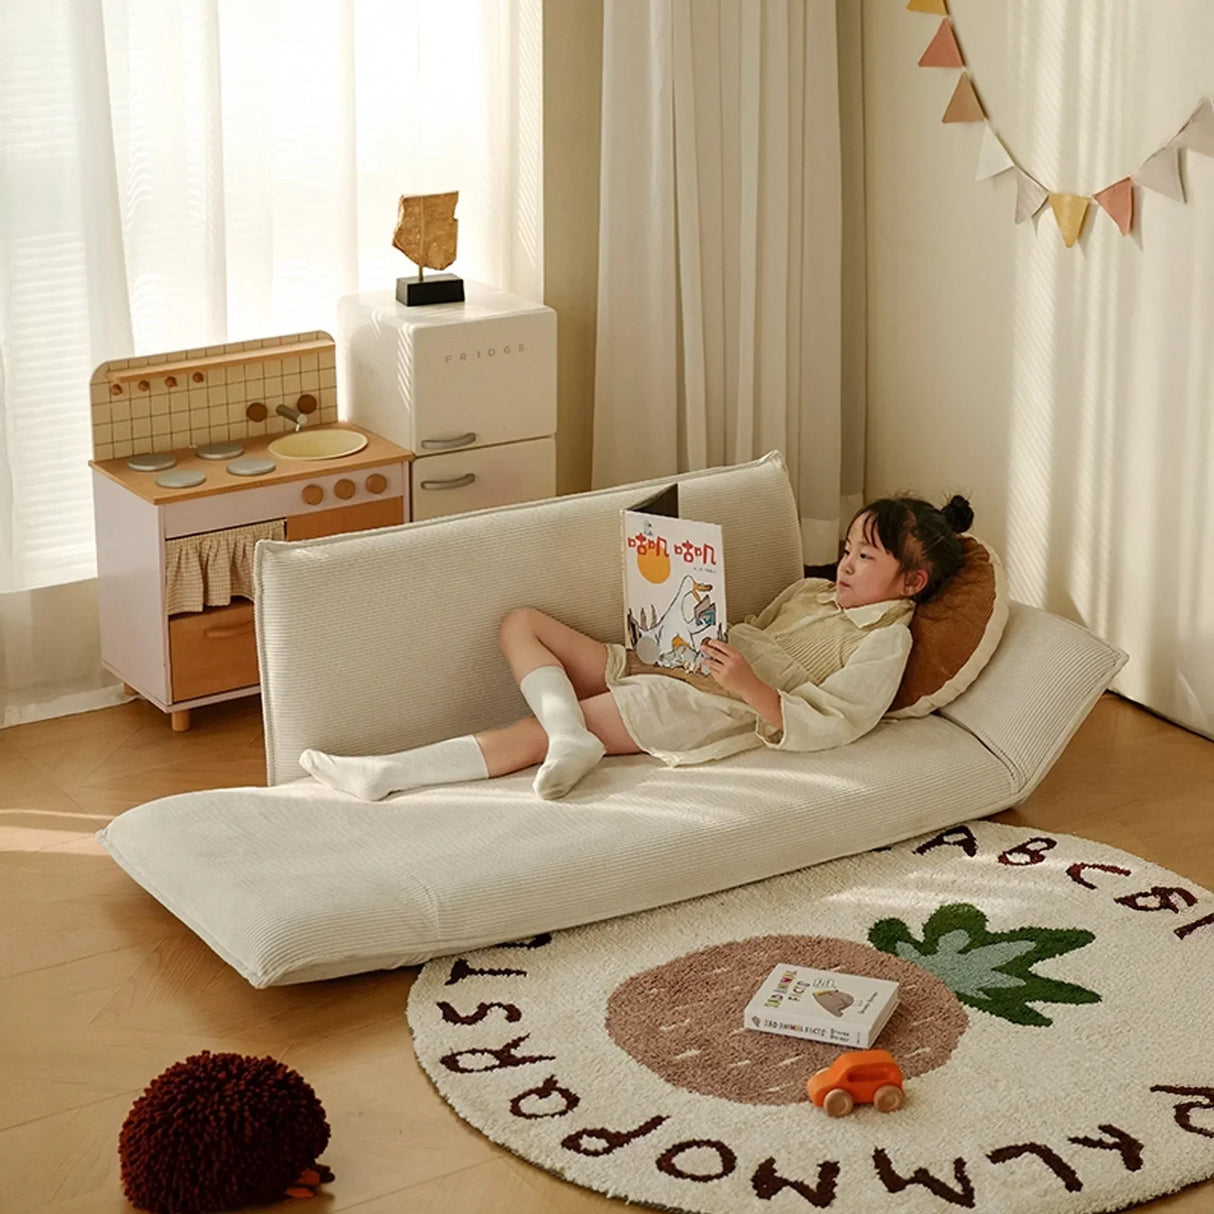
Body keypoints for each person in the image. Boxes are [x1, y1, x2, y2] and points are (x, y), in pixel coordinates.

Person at [299, 492, 974, 802]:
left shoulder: (885, 645)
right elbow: (746, 631)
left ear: (911, 583)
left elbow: (837, 721)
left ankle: (388, 776)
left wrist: (748, 687)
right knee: (522, 624)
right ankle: (573, 736)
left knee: (527, 733)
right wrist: (685, 614)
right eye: (848, 549)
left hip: (710, 708)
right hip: (681, 663)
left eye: (866, 558)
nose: (847, 565)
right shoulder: (812, 593)